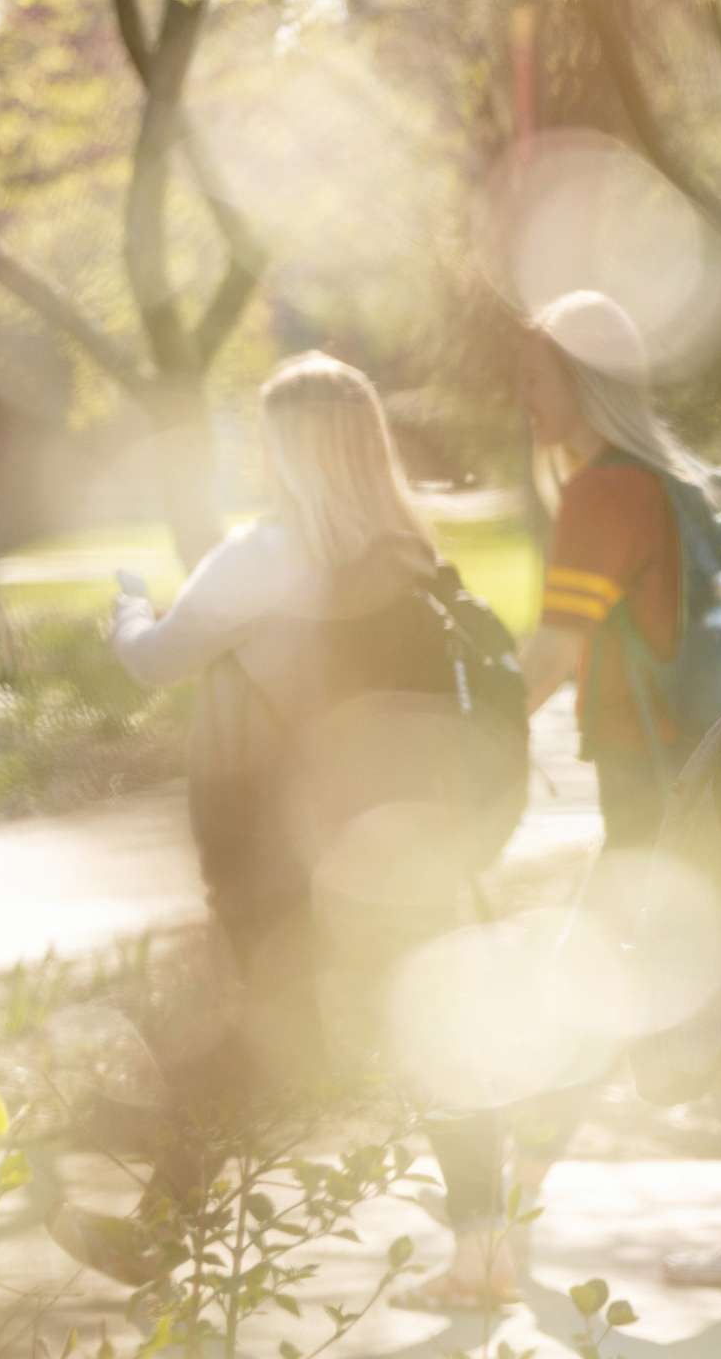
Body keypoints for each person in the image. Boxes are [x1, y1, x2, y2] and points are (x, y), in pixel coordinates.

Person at [409, 291, 721, 1309]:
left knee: (620, 989)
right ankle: (521, 1210)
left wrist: (470, 750)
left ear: (581, 380)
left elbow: (552, 651)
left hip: (662, 789)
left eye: (538, 375)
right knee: (621, 988)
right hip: (709, 778)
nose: (524, 395)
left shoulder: (605, 493)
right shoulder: (684, 487)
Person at [63, 352, 490, 1282]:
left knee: (244, 1026)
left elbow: (158, 661)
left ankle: (157, 1230)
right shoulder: (413, 557)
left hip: (281, 846)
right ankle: (483, 1245)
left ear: (283, 450)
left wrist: (129, 609)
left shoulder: (262, 556)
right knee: (428, 1026)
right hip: (397, 837)